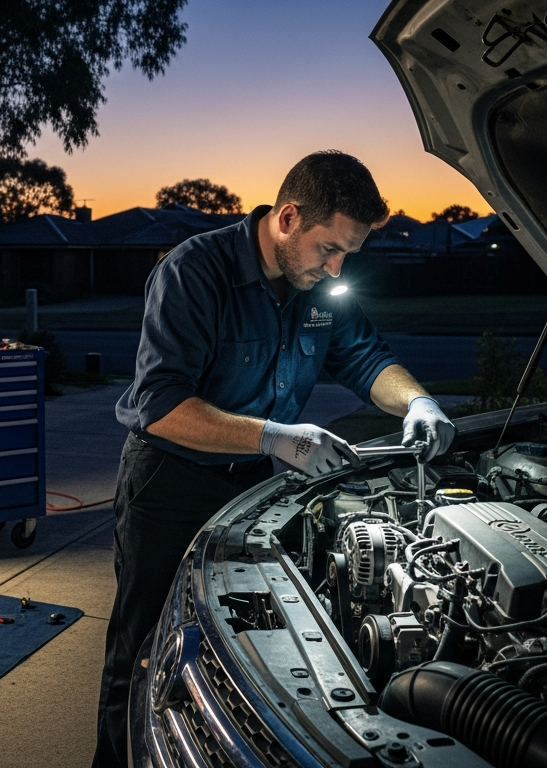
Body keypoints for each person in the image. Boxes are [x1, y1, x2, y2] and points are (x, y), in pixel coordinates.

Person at [92, 151, 455, 767]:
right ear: (288, 218)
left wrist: (418, 401)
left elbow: (366, 359)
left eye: (349, 255)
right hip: (169, 487)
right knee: (143, 652)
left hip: (256, 491)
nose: (338, 268)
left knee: (245, 656)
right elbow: (158, 404)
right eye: (330, 249)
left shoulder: (322, 289)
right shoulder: (193, 273)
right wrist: (273, 436)